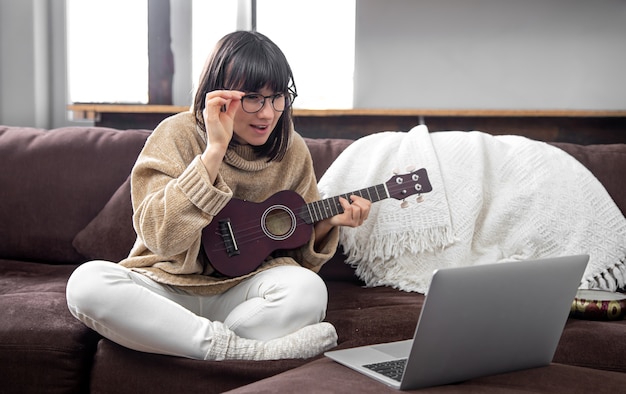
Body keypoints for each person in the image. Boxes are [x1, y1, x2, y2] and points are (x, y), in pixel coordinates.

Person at [65, 31, 371, 361]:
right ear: (218, 94)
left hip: (244, 292)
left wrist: (325, 225)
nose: (268, 114)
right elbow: (161, 239)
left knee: (308, 291)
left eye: (278, 97)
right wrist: (214, 151)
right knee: (86, 284)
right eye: (253, 97)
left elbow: (297, 263)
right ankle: (240, 351)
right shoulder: (176, 134)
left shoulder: (292, 151)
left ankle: (184, 339)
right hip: (165, 285)